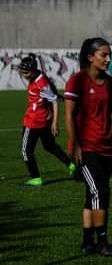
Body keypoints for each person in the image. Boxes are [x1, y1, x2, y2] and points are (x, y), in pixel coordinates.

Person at [64, 38, 112, 256]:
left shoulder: (109, 82)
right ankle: (102, 242)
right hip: (85, 148)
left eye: (110, 55)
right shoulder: (77, 81)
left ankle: (87, 242)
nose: (108, 59)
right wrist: (76, 145)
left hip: (106, 147)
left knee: (92, 195)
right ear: (90, 57)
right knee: (100, 192)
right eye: (104, 55)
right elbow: (69, 115)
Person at [17, 55, 74, 187]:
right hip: (44, 119)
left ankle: (36, 178)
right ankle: (71, 164)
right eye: (22, 72)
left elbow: (54, 101)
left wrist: (55, 123)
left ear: (33, 71)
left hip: (34, 121)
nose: (24, 75)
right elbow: (51, 88)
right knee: (50, 146)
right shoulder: (40, 75)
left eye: (26, 73)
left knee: (26, 151)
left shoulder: (40, 84)